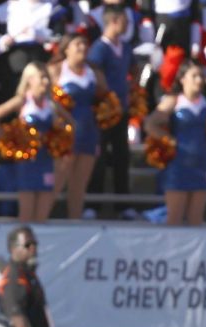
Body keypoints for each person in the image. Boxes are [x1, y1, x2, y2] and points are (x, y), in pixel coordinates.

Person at [144, 60, 206, 225]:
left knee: (196, 219)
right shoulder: (175, 100)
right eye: (194, 76)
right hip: (178, 163)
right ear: (182, 79)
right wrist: (169, 139)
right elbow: (150, 124)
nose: (199, 80)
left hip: (201, 161)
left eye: (201, 76)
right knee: (174, 218)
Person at [0, 62, 73, 222]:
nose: (45, 81)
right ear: (30, 79)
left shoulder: (51, 105)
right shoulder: (23, 101)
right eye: (42, 77)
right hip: (27, 163)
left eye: (47, 77)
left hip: (46, 161)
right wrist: (10, 140)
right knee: (26, 212)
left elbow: (71, 125)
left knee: (43, 214)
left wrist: (59, 139)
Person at [47, 33, 109, 219]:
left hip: (89, 130)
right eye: (77, 44)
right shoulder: (56, 70)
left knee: (80, 183)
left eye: (85, 44)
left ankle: (75, 220)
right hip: (65, 132)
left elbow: (105, 99)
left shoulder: (94, 73)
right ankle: (42, 216)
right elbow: (47, 100)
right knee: (58, 179)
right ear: (66, 49)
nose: (82, 48)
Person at [86, 5, 133, 195]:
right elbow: (94, 72)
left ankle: (123, 202)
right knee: (100, 154)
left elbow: (133, 70)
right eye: (124, 20)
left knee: (122, 154)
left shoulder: (126, 47)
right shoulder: (99, 48)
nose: (128, 24)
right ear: (113, 21)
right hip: (103, 110)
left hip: (121, 108)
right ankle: (94, 201)